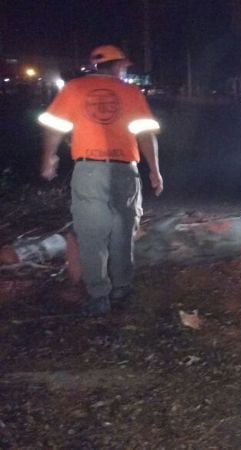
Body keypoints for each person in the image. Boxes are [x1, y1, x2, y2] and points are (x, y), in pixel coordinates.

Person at [38, 45, 163, 315]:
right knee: (123, 231)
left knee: (91, 234)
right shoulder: (131, 93)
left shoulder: (74, 89)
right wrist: (154, 169)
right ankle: (122, 287)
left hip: (88, 170)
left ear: (96, 66)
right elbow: (145, 135)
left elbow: (54, 127)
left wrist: (49, 158)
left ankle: (98, 296)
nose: (125, 70)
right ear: (118, 66)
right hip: (125, 170)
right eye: (124, 66)